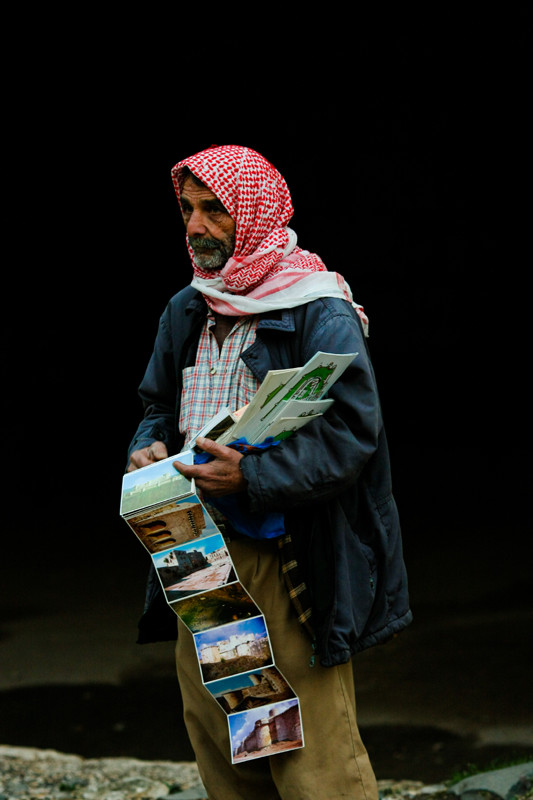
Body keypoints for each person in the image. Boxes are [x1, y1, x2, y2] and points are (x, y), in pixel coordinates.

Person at [126, 144, 412, 800]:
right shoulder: (188, 308)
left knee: (306, 740)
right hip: (192, 547)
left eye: (213, 210)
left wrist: (251, 481)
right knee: (227, 725)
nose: (195, 225)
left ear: (251, 214)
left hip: (283, 553)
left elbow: (351, 435)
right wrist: (147, 448)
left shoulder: (317, 309)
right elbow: (154, 407)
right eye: (187, 209)